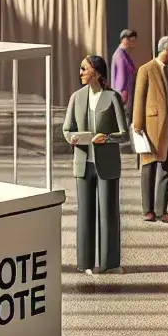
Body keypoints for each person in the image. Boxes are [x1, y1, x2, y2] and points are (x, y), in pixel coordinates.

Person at [63, 55, 130, 275]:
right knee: (85, 214)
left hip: (107, 163)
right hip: (83, 163)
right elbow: (67, 128)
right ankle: (85, 263)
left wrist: (107, 138)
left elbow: (124, 135)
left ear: (97, 72)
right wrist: (72, 138)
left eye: (84, 68)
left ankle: (110, 263)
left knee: (108, 213)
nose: (80, 72)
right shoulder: (77, 97)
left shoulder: (112, 98)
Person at [132, 36, 168, 224]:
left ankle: (161, 209)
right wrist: (137, 124)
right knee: (148, 166)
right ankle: (147, 210)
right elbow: (139, 98)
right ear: (164, 49)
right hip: (151, 125)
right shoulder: (146, 70)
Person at [110, 29, 139, 112]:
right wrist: (123, 93)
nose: (133, 44)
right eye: (131, 41)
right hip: (123, 94)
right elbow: (121, 76)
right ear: (124, 40)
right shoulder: (120, 55)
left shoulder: (125, 55)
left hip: (126, 92)